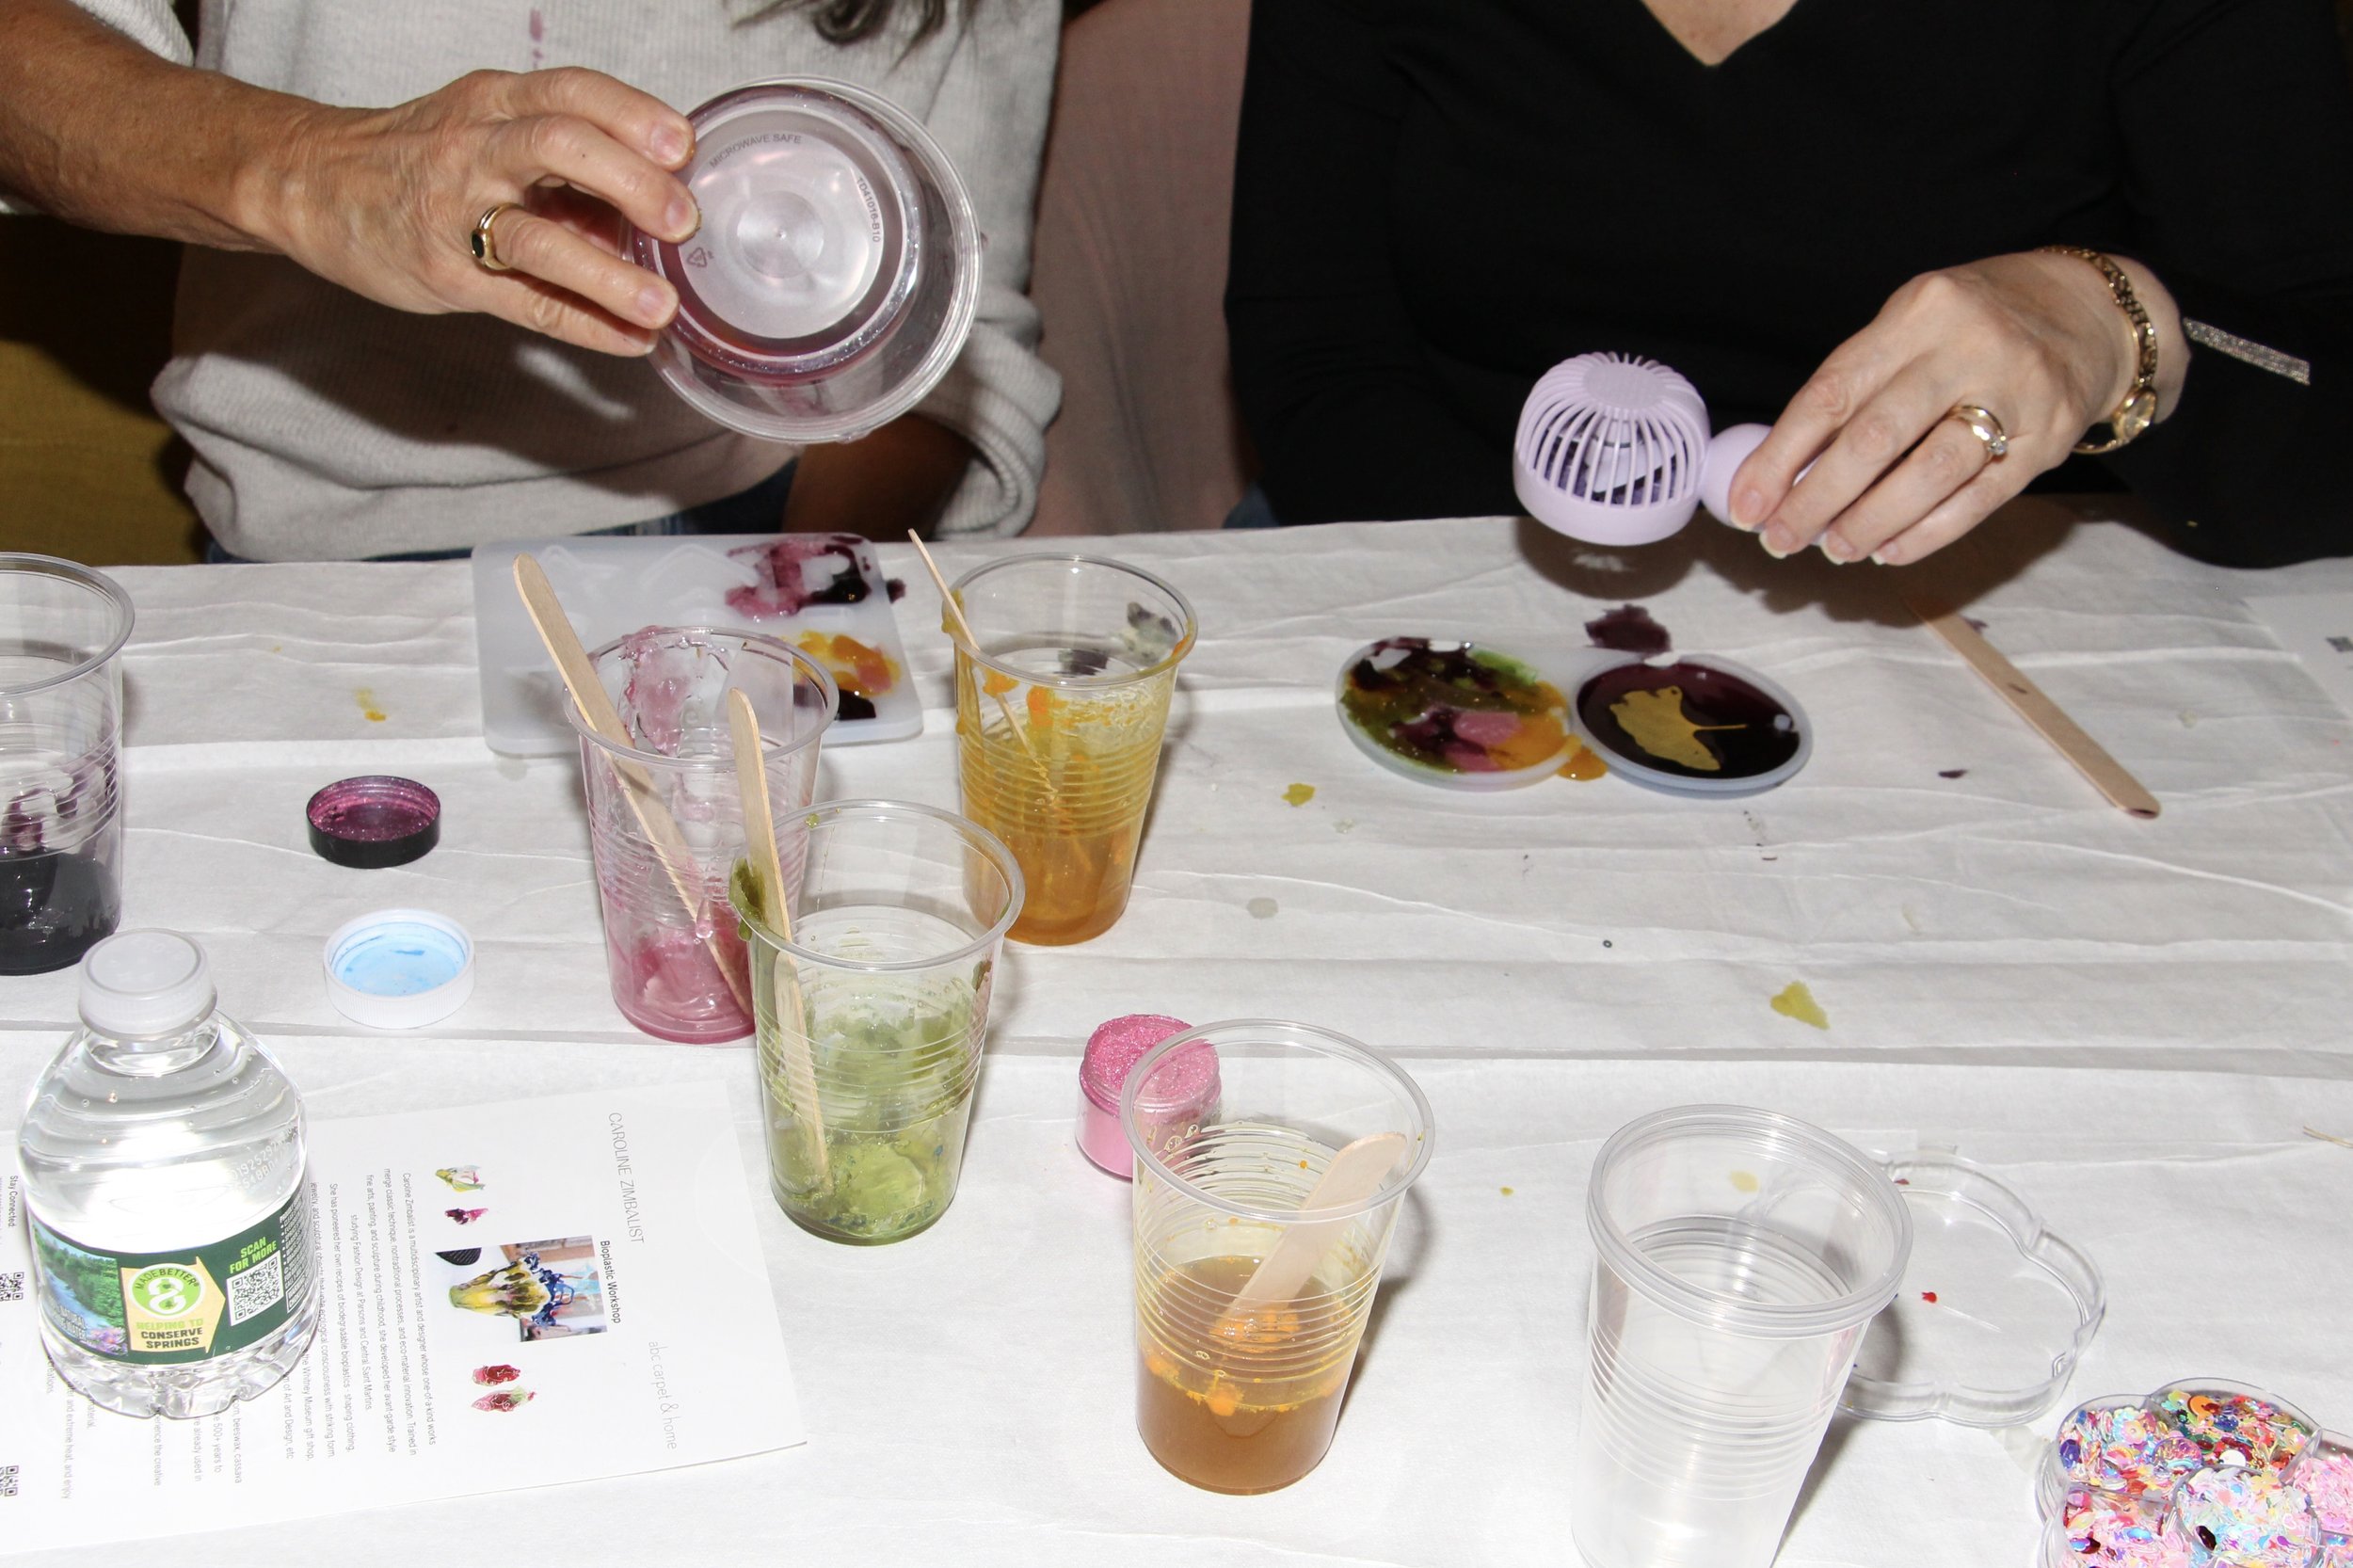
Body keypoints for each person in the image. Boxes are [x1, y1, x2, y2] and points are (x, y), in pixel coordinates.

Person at [1225, 0, 2353, 568]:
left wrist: (2116, 325)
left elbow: (2324, 423)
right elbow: (1317, 354)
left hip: (1983, 592)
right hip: (1451, 537)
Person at [0, 0, 1061, 560]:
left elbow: (955, 331)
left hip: (740, 519)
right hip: (319, 551)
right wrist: (306, 173)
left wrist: (795, 585)